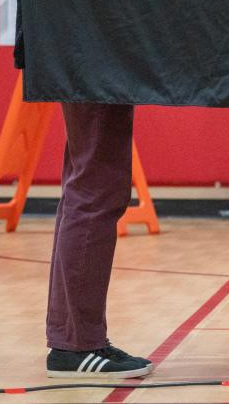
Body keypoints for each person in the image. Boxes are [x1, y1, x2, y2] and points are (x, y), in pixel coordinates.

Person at [44, 104, 153, 378]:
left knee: (88, 186)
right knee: (95, 189)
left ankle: (74, 340)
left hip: (85, 66)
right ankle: (77, 346)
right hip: (91, 67)